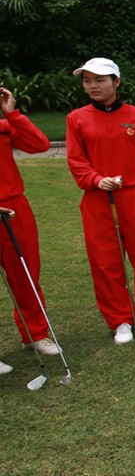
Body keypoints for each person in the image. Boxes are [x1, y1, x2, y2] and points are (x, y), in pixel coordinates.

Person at [66, 57, 135, 343]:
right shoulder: (76, 118)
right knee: (105, 262)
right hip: (97, 198)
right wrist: (95, 179)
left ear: (116, 82)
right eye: (87, 81)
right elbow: (76, 159)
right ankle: (120, 320)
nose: (93, 86)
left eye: (99, 80)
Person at [0, 86, 60, 376]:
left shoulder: (4, 127)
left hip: (14, 208)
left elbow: (40, 145)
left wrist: (13, 114)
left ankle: (35, 334)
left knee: (25, 274)